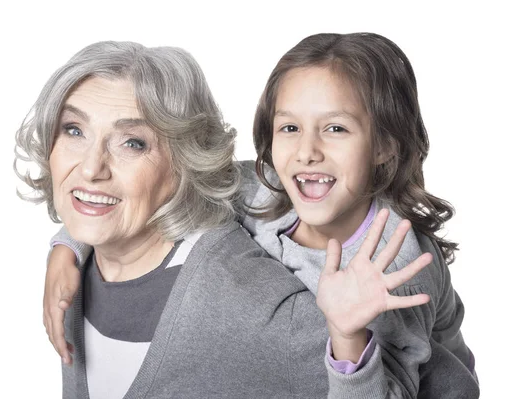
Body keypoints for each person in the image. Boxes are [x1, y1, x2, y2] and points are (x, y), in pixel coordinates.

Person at [34, 34, 478, 398]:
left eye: (336, 128)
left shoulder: (396, 267)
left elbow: (397, 392)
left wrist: (346, 335)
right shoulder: (261, 189)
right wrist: (69, 246)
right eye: (290, 128)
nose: (307, 152)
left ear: (385, 146)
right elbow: (156, 181)